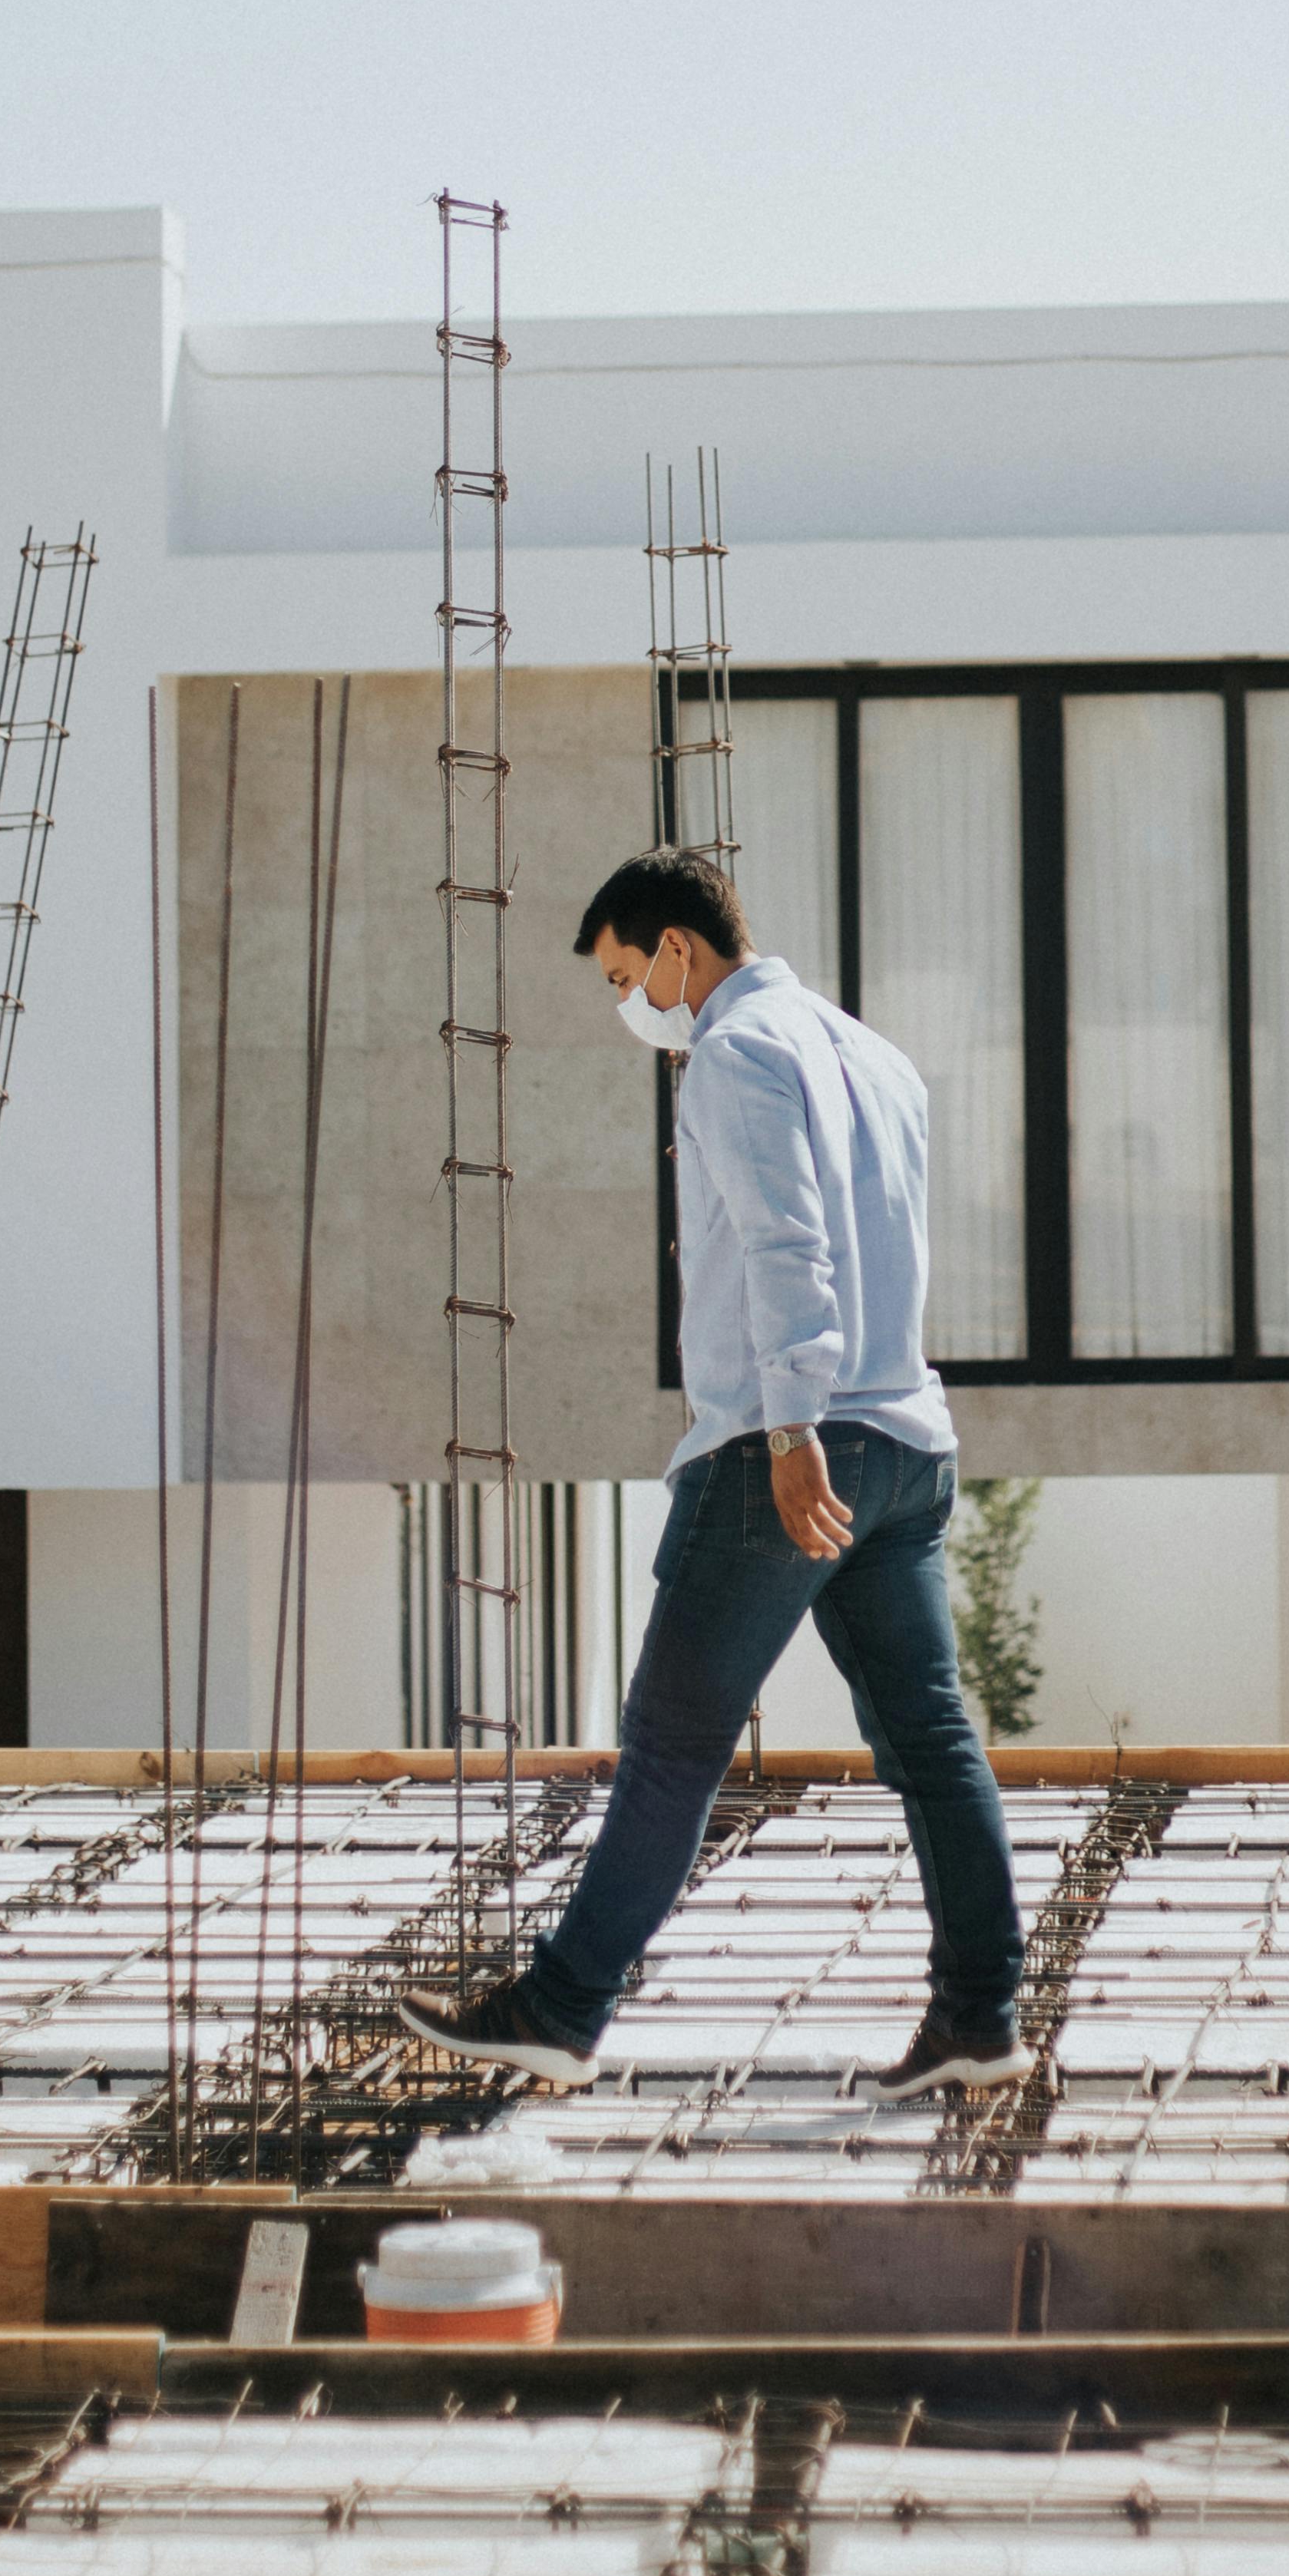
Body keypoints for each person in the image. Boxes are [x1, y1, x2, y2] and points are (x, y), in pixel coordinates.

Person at [393, 846, 1029, 2095]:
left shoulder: (735, 1056)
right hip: (907, 1446)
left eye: (630, 975)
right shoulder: (876, 1054)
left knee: (674, 1745)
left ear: (679, 949)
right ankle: (981, 2020)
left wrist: (790, 1430)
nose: (633, 1005)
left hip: (786, 1450)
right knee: (932, 1737)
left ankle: (561, 2011)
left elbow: (792, 1250)